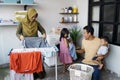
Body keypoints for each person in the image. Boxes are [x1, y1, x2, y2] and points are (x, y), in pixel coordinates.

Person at [16, 8, 46, 79]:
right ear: (28, 15)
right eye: (32, 16)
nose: (34, 18)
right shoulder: (22, 22)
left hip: (35, 44)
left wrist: (44, 34)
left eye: (35, 16)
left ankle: (39, 74)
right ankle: (30, 75)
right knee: (29, 60)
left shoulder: (36, 23)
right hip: (26, 44)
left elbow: (42, 30)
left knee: (37, 59)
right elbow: (17, 33)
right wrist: (20, 36)